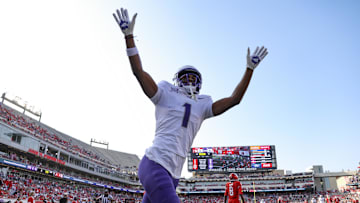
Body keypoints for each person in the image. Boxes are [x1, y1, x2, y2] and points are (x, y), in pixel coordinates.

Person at [113, 8, 268, 203]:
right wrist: (129, 37)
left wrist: (249, 70)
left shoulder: (202, 103)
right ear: (177, 81)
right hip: (155, 163)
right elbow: (138, 72)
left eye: (193, 78)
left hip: (174, 174)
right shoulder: (165, 91)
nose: (189, 81)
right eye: (185, 77)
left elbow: (234, 99)